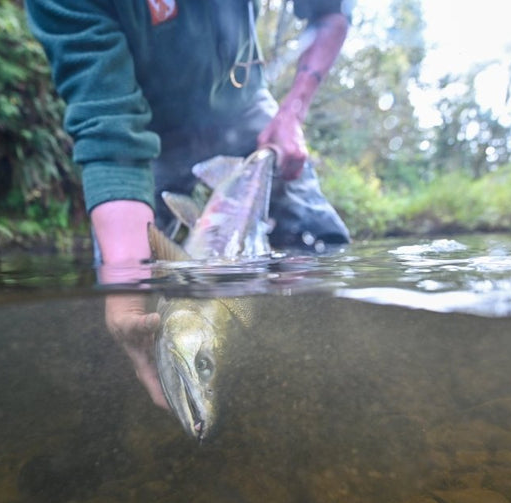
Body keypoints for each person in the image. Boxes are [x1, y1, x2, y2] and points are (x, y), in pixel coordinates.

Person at [26, 0, 352, 405]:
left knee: (324, 248)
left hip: (246, 106)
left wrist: (292, 113)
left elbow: (330, 12)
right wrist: (125, 300)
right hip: (144, 132)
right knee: (123, 280)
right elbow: (109, 132)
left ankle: (322, 383)